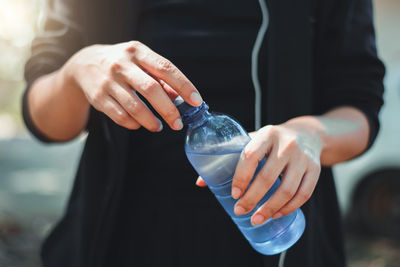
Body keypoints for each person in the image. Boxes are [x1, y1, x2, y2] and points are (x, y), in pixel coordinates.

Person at [22, 0, 384, 266]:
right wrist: (75, 71)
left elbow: (359, 104)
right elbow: (44, 119)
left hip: (276, 229)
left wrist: (311, 135)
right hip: (121, 233)